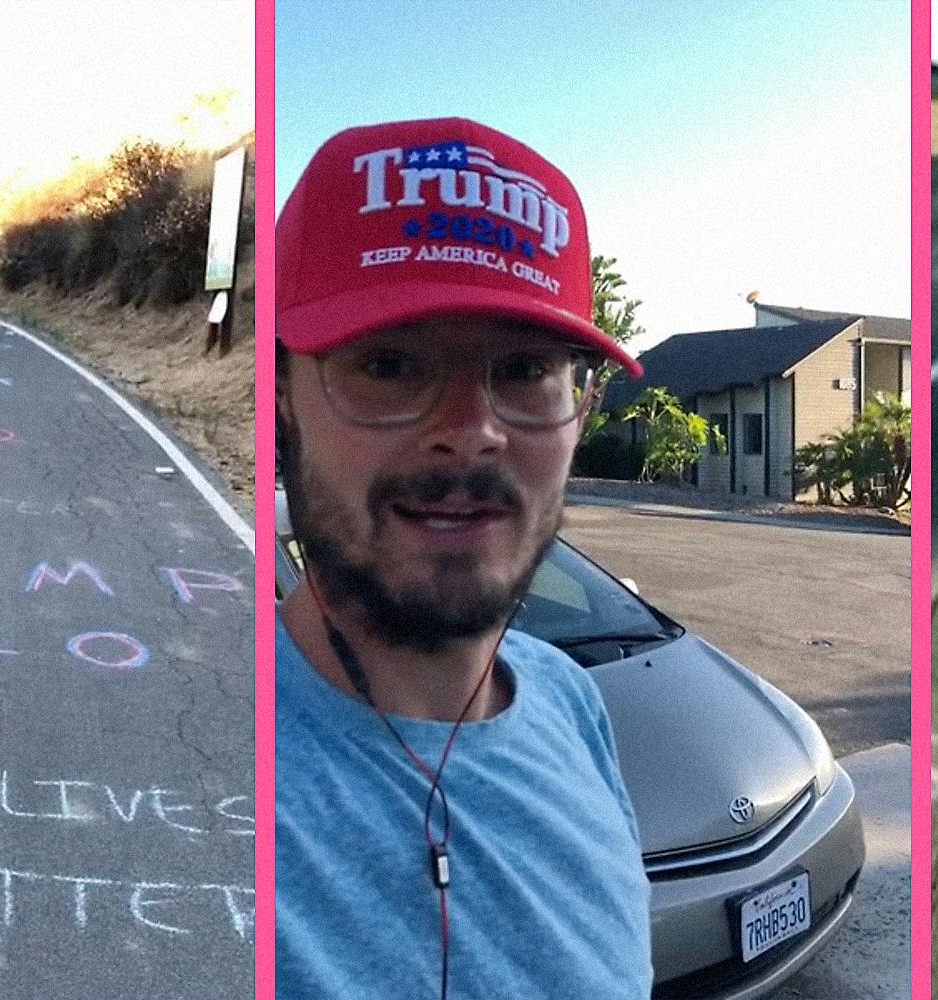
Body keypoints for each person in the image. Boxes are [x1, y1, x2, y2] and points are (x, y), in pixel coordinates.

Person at [273, 117, 653, 1000]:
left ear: (579, 409)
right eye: (392, 364)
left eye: (524, 370)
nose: (473, 433)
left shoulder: (572, 709)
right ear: (282, 399)